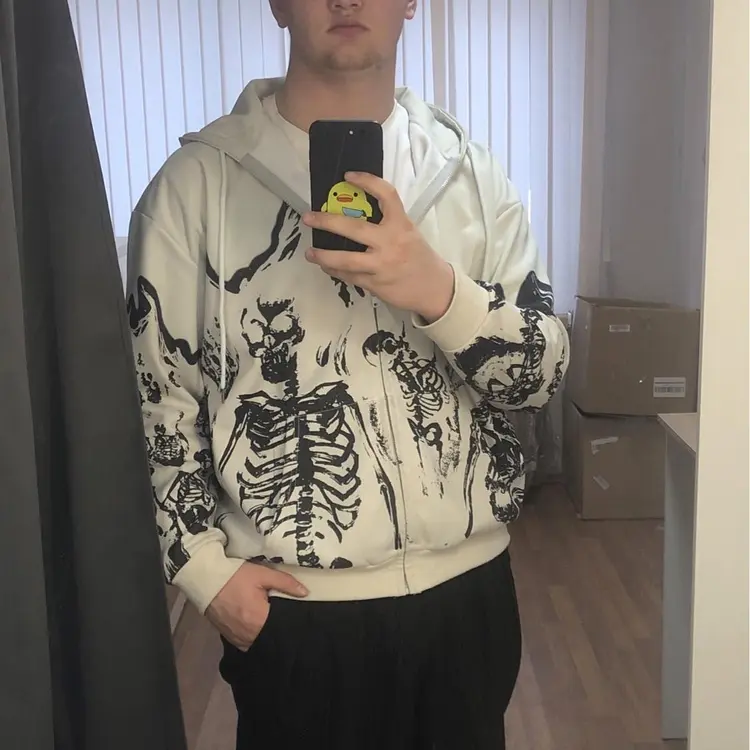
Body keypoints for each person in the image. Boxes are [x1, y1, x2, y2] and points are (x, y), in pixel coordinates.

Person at [127, 1, 569, 747]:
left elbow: (539, 377)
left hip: (470, 602)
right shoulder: (193, 190)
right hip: (295, 615)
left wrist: (437, 289)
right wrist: (202, 571)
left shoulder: (473, 178)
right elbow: (155, 399)